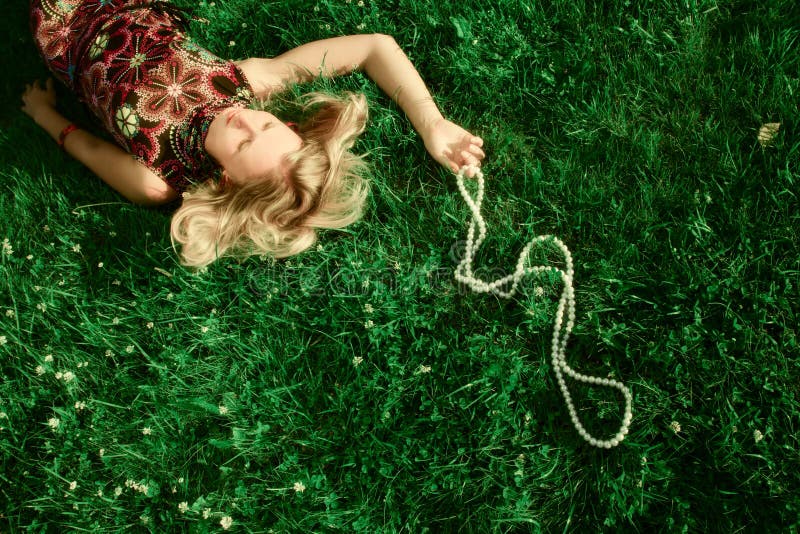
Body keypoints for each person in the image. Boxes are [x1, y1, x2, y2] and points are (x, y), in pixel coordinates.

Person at [22, 0, 485, 267]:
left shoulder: (155, 176)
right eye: (266, 125)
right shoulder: (245, 83)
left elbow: (84, 145)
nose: (241, 120)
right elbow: (373, 48)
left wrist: (44, 114)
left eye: (243, 143)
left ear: (226, 180)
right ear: (285, 124)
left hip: (67, 29)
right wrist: (432, 122)